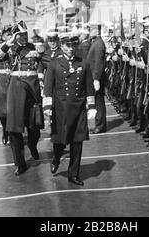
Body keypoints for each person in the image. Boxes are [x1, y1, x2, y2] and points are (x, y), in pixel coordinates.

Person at [43, 31, 96, 186]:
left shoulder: (83, 63)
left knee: (77, 142)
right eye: (67, 45)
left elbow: (89, 86)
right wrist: (47, 105)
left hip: (78, 108)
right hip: (61, 108)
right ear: (61, 45)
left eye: (73, 45)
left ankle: (73, 174)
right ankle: (56, 158)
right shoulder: (54, 64)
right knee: (60, 140)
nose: (71, 48)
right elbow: (48, 86)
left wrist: (91, 105)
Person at [0, 20, 44, 176]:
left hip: (32, 89)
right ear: (15, 36)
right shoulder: (9, 49)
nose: (23, 37)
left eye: (25, 35)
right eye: (20, 35)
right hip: (15, 90)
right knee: (15, 129)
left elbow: (44, 62)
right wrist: (9, 42)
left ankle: (33, 145)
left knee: (34, 126)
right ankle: (20, 163)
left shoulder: (34, 47)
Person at [86, 23, 107, 134]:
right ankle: (99, 124)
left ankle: (100, 125)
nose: (89, 30)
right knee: (97, 100)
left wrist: (96, 78)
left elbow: (98, 62)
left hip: (97, 77)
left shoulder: (98, 44)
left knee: (98, 101)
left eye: (91, 29)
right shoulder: (95, 42)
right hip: (94, 76)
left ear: (97, 30)